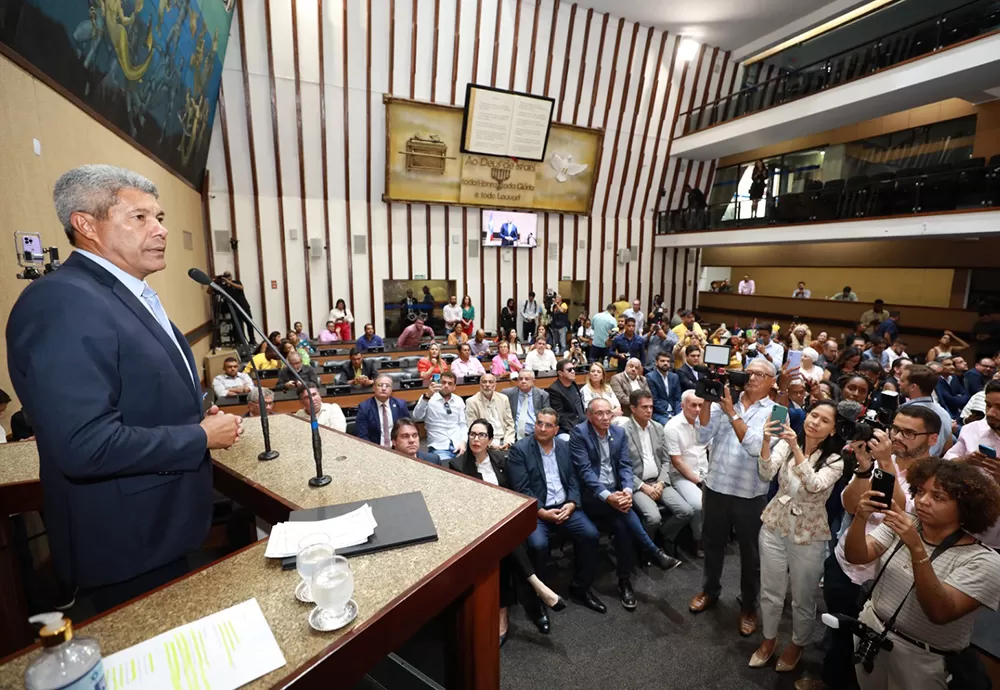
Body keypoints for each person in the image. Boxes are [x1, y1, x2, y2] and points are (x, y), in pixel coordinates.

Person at [5, 165, 246, 608]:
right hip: (125, 541)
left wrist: (193, 414)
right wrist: (197, 437)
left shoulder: (124, 294)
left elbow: (138, 391)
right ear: (85, 225)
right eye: (140, 218)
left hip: (162, 528)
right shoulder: (62, 302)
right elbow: (84, 444)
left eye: (159, 217)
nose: (161, 230)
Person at [844, 458, 1000, 690]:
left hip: (923, 658)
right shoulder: (905, 523)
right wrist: (860, 517)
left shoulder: (984, 561)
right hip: (872, 632)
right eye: (920, 491)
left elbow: (939, 611)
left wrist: (916, 547)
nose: (922, 501)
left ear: (965, 508)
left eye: (938, 497)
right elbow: (857, 556)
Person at [750, 402, 845, 673]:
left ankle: (797, 643)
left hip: (809, 528)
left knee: (803, 595)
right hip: (775, 520)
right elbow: (766, 472)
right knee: (770, 589)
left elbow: (814, 485)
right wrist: (768, 441)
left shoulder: (836, 459)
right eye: (813, 415)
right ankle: (768, 639)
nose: (815, 422)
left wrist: (795, 448)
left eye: (824, 420)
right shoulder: (786, 441)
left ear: (833, 429)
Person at [451, 420, 567, 640]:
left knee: (507, 541)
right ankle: (536, 588)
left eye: (481, 435)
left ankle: (509, 607)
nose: (476, 439)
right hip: (478, 524)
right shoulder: (458, 465)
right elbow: (462, 504)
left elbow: (514, 491)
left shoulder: (500, 460)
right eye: (472, 435)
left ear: (490, 440)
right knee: (503, 544)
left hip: (506, 519)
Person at [689, 358, 778, 638]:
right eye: (749, 372)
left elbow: (755, 447)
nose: (751, 378)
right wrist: (707, 398)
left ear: (772, 382)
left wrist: (731, 414)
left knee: (750, 556)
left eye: (760, 375)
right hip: (716, 487)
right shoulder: (728, 400)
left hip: (750, 495)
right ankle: (710, 590)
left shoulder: (778, 412)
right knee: (712, 544)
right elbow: (702, 435)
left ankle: (749, 606)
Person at [572, 398, 680, 609]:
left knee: (624, 527)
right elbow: (585, 472)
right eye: (599, 414)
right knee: (626, 514)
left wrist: (628, 491)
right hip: (591, 496)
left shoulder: (618, 433)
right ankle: (652, 551)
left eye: (608, 413)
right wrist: (608, 496)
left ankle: (624, 580)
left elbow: (625, 465)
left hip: (617, 494)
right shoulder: (579, 433)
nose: (605, 418)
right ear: (589, 415)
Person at [507, 409, 605, 614]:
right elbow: (522, 488)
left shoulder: (564, 446)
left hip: (565, 506)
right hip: (537, 511)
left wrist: (572, 503)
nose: (542, 428)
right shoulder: (520, 450)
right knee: (538, 545)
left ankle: (581, 587)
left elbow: (574, 479)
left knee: (590, 534)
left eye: (548, 425)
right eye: (539, 423)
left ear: (556, 429)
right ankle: (538, 598)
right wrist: (541, 512)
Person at [625, 390, 694, 554]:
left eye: (651, 407)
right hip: (638, 484)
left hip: (659, 481)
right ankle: (647, 549)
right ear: (632, 408)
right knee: (653, 518)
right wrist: (642, 486)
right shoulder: (622, 431)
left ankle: (664, 536)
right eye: (644, 407)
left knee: (686, 511)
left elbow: (666, 460)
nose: (649, 411)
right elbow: (623, 467)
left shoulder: (658, 427)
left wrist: (662, 482)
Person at [664, 390, 710, 555]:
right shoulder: (672, 427)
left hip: (705, 471)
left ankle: (714, 536)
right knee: (699, 505)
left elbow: (711, 449)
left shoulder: (704, 422)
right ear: (683, 406)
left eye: (700, 405)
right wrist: (699, 481)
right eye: (693, 405)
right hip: (682, 475)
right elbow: (677, 461)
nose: (697, 409)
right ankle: (698, 540)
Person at [898, 364, 954, 455]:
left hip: (907, 464)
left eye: (902, 380)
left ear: (913, 387)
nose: (898, 383)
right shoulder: (944, 413)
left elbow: (898, 445)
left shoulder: (907, 413)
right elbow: (948, 447)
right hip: (933, 464)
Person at [412, 372, 467, 462]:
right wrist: (427, 397)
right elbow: (416, 416)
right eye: (443, 382)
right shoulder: (428, 398)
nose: (446, 386)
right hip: (439, 447)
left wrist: (463, 442)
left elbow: (462, 424)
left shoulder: (459, 400)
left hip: (459, 445)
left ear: (454, 387)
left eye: (450, 383)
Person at [354, 375, 410, 447]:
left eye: (387, 386)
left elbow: (408, 429)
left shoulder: (401, 405)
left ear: (391, 389)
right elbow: (362, 435)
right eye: (380, 385)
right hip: (375, 448)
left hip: (398, 448)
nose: (384, 388)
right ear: (374, 388)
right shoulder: (364, 407)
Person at [465, 373, 516, 450]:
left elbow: (510, 424)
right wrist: (490, 444)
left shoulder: (503, 399)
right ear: (480, 384)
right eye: (484, 382)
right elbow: (473, 429)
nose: (487, 385)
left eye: (490, 382)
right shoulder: (472, 402)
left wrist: (508, 442)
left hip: (505, 441)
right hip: (485, 444)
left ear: (495, 384)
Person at [545, 360, 586, 441]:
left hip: (582, 424)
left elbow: (580, 407)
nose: (573, 371)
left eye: (574, 369)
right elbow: (559, 416)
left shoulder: (573, 384)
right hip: (566, 430)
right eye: (569, 370)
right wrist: (576, 430)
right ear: (560, 373)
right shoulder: (554, 390)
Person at [503, 371, 550, 441]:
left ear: (533, 381)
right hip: (513, 435)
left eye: (527, 379)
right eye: (520, 379)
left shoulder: (542, 395)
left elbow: (547, 417)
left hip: (535, 434)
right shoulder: (507, 394)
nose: (523, 381)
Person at [216, 271, 256, 345]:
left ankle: (252, 341)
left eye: (228, 276)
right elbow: (209, 292)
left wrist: (230, 283)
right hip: (234, 310)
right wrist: (214, 282)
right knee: (238, 327)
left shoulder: (236, 282)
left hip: (244, 307)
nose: (227, 278)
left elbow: (241, 287)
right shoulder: (223, 288)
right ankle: (241, 342)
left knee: (249, 324)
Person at [648, 351, 682, 423]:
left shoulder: (674, 377)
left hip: (675, 411)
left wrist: (678, 414)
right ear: (656, 362)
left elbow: (678, 398)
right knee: (669, 425)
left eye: (668, 361)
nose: (665, 363)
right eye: (662, 361)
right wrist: (668, 415)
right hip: (659, 413)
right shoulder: (650, 377)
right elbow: (654, 400)